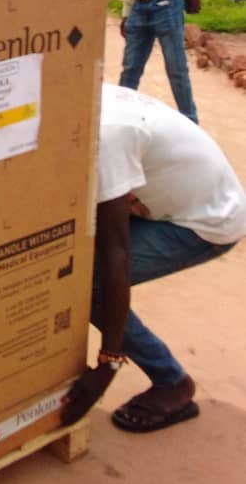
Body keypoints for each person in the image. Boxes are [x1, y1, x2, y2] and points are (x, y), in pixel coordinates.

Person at [63, 84, 246, 432]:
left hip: (206, 221)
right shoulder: (78, 92)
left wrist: (108, 362)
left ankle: (172, 383)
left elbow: (116, 255)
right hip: (169, 200)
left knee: (89, 286)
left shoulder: (105, 135)